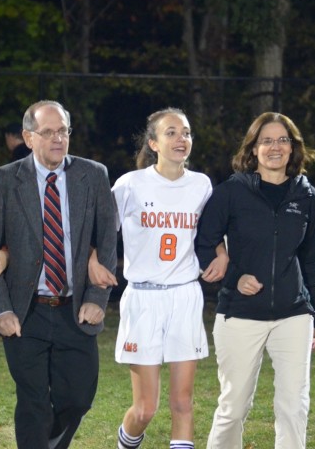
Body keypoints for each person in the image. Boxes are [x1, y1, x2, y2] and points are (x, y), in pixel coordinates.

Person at [0, 100, 118, 448]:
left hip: (75, 309)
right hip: (27, 312)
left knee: (78, 399)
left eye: (64, 131)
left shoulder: (93, 174)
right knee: (34, 404)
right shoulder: (4, 180)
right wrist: (1, 310)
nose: (58, 139)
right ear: (28, 137)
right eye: (48, 132)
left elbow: (107, 242)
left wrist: (98, 299)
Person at [96, 108, 223, 449]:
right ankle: (127, 443)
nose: (181, 139)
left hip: (184, 295)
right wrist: (94, 260)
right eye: (171, 133)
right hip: (143, 298)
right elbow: (102, 231)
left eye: (186, 132)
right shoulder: (130, 184)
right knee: (145, 409)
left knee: (182, 403)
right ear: (153, 142)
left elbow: (211, 233)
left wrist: (221, 253)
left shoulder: (201, 184)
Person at [195, 112, 315, 449]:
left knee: (293, 406)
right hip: (239, 312)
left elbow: (309, 260)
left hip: (293, 312)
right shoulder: (231, 192)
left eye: (283, 139)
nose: (275, 147)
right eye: (266, 140)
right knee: (234, 407)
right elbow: (204, 241)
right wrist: (235, 277)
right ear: (253, 149)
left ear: (293, 148)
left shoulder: (306, 195)